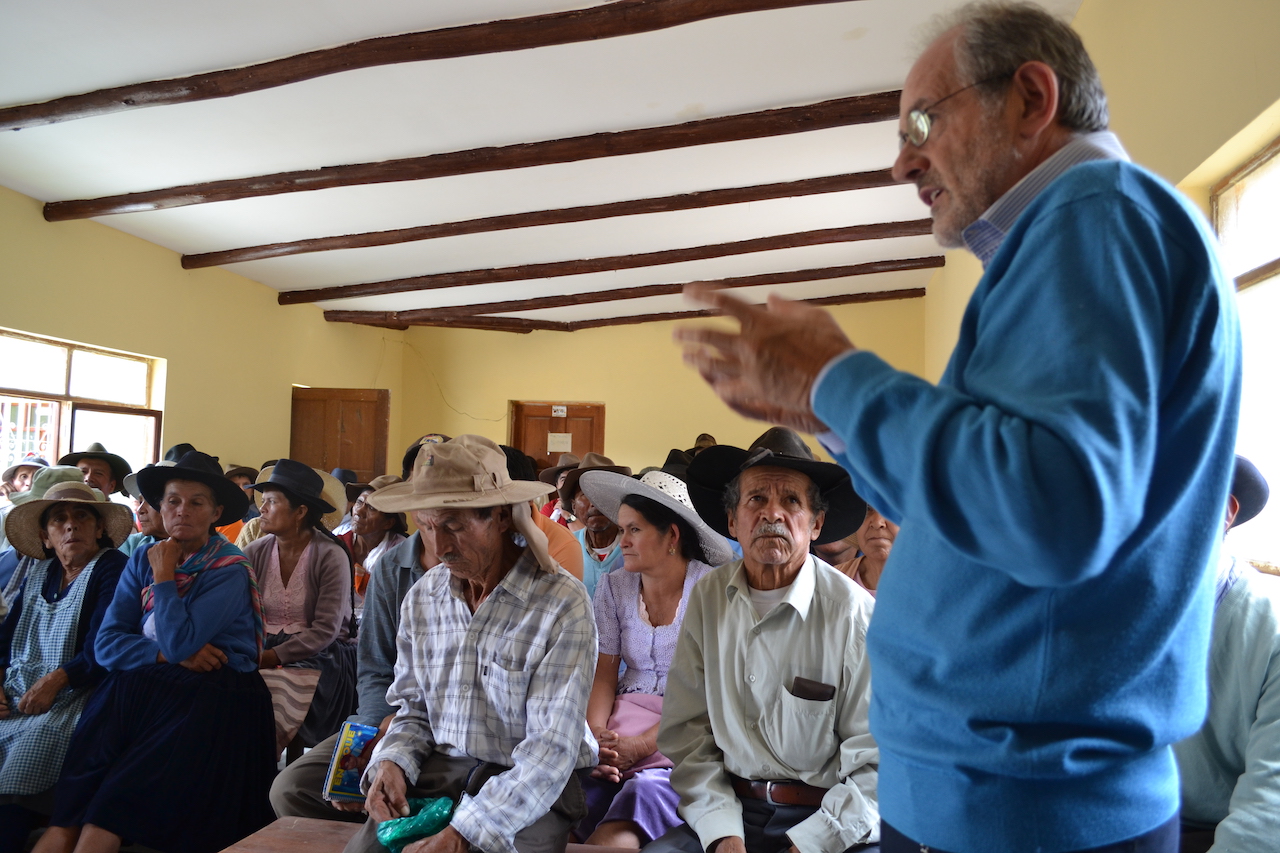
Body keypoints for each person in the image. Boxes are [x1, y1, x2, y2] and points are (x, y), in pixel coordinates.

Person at [673, 4, 1240, 851]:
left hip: (1026, 812)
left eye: (924, 122)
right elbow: (977, 497)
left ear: (1031, 97)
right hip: (994, 804)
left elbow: (1052, 506)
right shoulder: (1070, 241)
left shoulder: (1098, 216)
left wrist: (842, 374)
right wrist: (827, 410)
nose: (903, 161)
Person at [344, 435, 597, 853]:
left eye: (454, 526)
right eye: (426, 526)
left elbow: (550, 750)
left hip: (529, 782)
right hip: (441, 767)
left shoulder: (560, 603)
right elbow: (413, 709)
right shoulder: (424, 598)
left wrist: (465, 833)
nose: (440, 547)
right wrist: (391, 761)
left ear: (501, 518)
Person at [34, 450, 274, 853]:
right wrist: (164, 655)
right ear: (160, 509)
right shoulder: (143, 558)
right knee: (75, 798)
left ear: (215, 511)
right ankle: (66, 827)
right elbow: (108, 645)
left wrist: (164, 578)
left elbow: (180, 641)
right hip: (145, 682)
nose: (182, 511)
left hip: (212, 690)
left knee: (112, 806)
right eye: (172, 501)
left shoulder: (229, 568)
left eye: (196, 502)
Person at [652, 431, 878, 853]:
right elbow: (688, 735)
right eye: (756, 499)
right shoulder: (707, 598)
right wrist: (723, 834)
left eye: (792, 501)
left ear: (817, 524)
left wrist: (811, 844)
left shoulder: (853, 613)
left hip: (827, 818)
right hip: (732, 809)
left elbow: (879, 766)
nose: (772, 512)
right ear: (732, 520)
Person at [574, 469, 734, 849]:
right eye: (622, 529)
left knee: (644, 791)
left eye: (634, 530)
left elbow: (713, 693)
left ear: (672, 537)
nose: (622, 541)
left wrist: (644, 745)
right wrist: (596, 739)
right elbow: (604, 674)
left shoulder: (711, 591)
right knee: (579, 782)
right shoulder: (614, 587)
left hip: (690, 732)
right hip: (623, 723)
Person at [269, 480, 441, 825]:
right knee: (292, 787)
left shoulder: (499, 573)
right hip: (391, 714)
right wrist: (370, 731)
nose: (438, 525)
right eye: (429, 510)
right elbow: (377, 668)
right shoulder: (394, 567)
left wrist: (405, 726)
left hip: (448, 729)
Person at [0, 482, 130, 848]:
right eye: (59, 519)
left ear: (99, 528)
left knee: (30, 749)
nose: (71, 526)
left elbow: (104, 648)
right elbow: (5, 640)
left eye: (82, 516)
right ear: (45, 536)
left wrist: (56, 681)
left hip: (76, 695)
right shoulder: (38, 573)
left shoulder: (112, 568)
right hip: (18, 692)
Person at [1175, 457, 1278, 853]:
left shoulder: (1269, 629)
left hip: (1213, 832)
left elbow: (1270, 808)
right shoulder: (1086, 601)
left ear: (1225, 512)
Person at [244, 459, 357, 747]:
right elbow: (240, 613)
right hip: (260, 647)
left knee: (276, 690)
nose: (262, 509)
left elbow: (326, 630)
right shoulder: (254, 552)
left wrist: (273, 657)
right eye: (263, 501)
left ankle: (264, 773)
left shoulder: (329, 555)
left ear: (301, 511)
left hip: (319, 654)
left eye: (272, 501)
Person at [561, 454, 632, 599]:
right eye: (585, 494)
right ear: (573, 506)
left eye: (604, 493)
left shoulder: (634, 546)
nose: (594, 503)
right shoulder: (567, 547)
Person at [338, 475, 408, 614]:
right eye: (359, 502)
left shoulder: (400, 553)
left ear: (388, 522)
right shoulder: (337, 546)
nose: (359, 511)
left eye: (371, 508)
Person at [832, 506, 897, 598]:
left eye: (891, 508)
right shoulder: (833, 579)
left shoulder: (923, 581)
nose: (877, 523)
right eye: (867, 509)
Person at [57, 444, 131, 498]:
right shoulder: (59, 513)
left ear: (111, 486)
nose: (88, 478)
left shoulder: (120, 517)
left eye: (98, 473)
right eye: (83, 472)